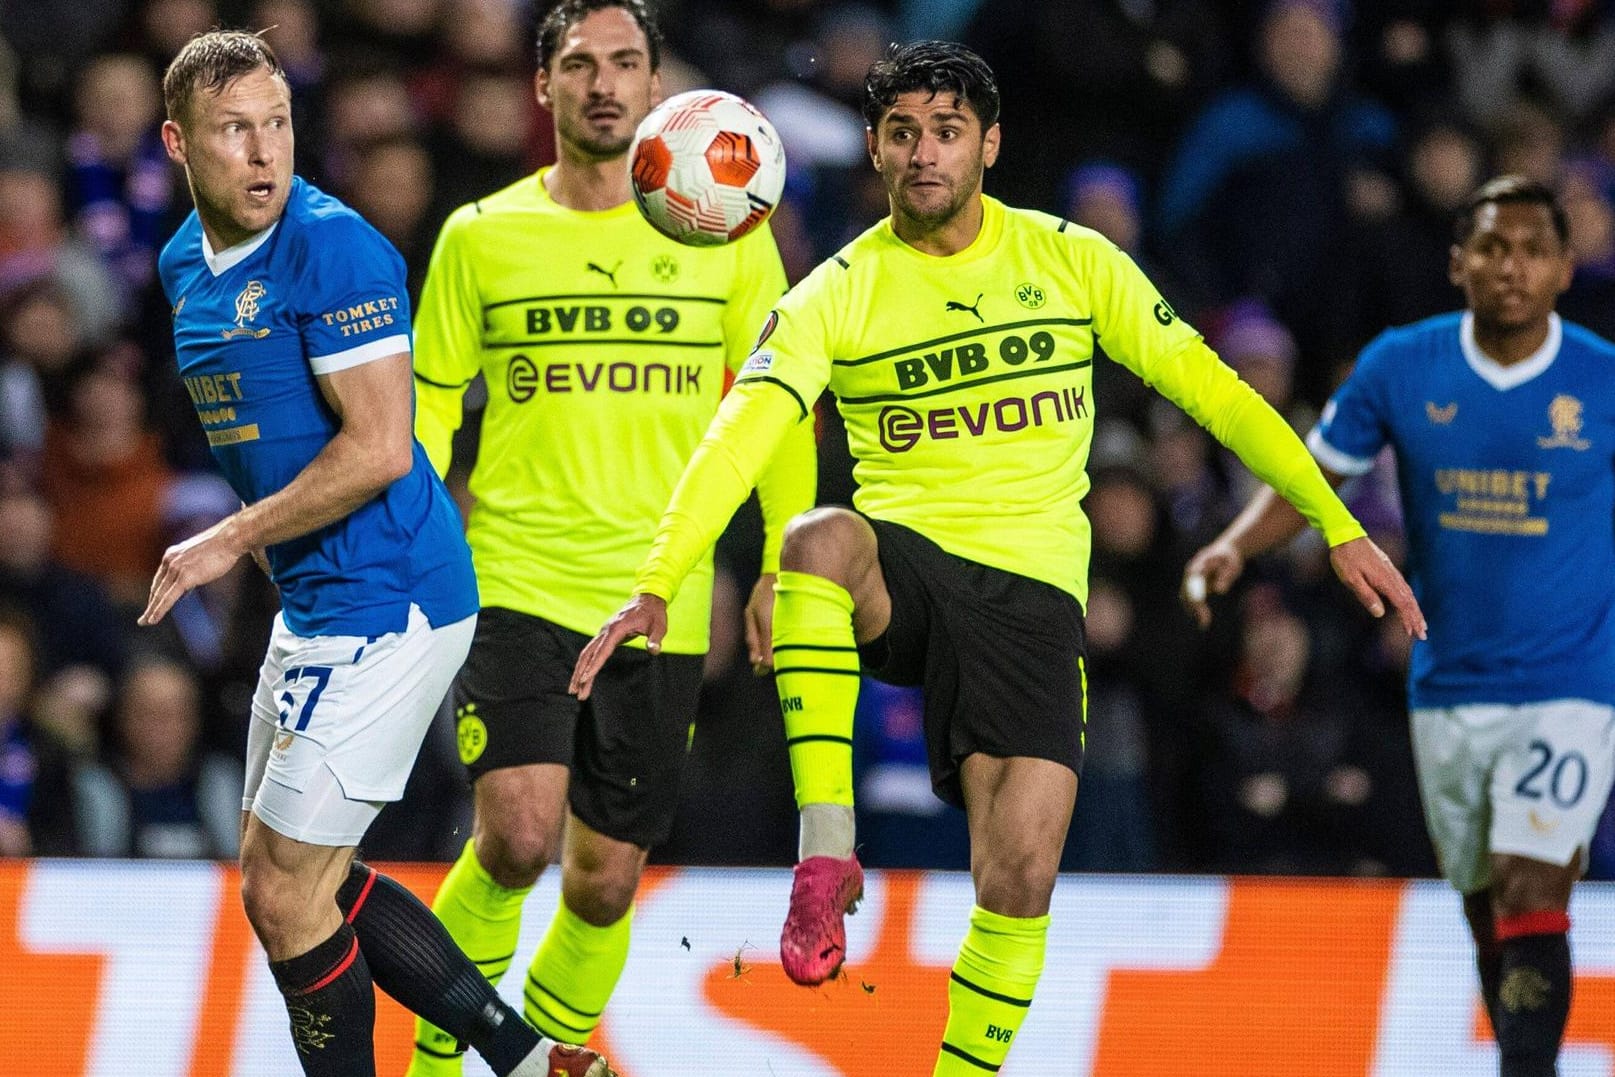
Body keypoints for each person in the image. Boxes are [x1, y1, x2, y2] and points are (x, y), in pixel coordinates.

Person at [572, 39, 1423, 1074]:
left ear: (989, 144)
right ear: (875, 154)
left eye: (946, 130)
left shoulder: (1071, 259)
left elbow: (1214, 392)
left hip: (1032, 601)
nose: (924, 153)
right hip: (909, 574)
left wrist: (1334, 523)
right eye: (901, 134)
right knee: (815, 540)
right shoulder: (833, 294)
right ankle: (825, 851)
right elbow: (739, 436)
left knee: (1017, 878)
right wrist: (659, 581)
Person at [145, 29, 613, 1077]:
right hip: (317, 602)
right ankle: (532, 1061)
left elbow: (377, 447)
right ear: (178, 142)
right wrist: (268, 550)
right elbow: (257, 433)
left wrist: (231, 540)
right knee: (299, 871)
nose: (265, 153)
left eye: (279, 125)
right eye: (234, 132)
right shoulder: (186, 263)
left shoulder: (338, 249)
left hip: (390, 600)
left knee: (283, 890)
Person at [405, 2, 813, 1073]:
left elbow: (776, 405)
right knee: (516, 839)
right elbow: (432, 402)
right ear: (541, 86)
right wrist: (414, 523)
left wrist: (776, 561)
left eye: (625, 63)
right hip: (516, 577)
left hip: (658, 592)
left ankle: (549, 1053)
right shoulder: (480, 236)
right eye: (578, 63)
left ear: (656, 85)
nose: (602, 83)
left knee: (604, 880)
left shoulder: (726, 232)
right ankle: (440, 1062)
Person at [1181, 174, 1615, 1077]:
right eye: (1492, 247)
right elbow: (1314, 476)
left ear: (1564, 270)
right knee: (1485, 901)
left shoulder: (1601, 382)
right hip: (1445, 684)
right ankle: (1518, 1052)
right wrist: (1231, 546)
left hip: (1571, 682)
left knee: (1533, 876)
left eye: (1533, 250)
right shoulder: (1401, 366)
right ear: (1458, 262)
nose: (1511, 267)